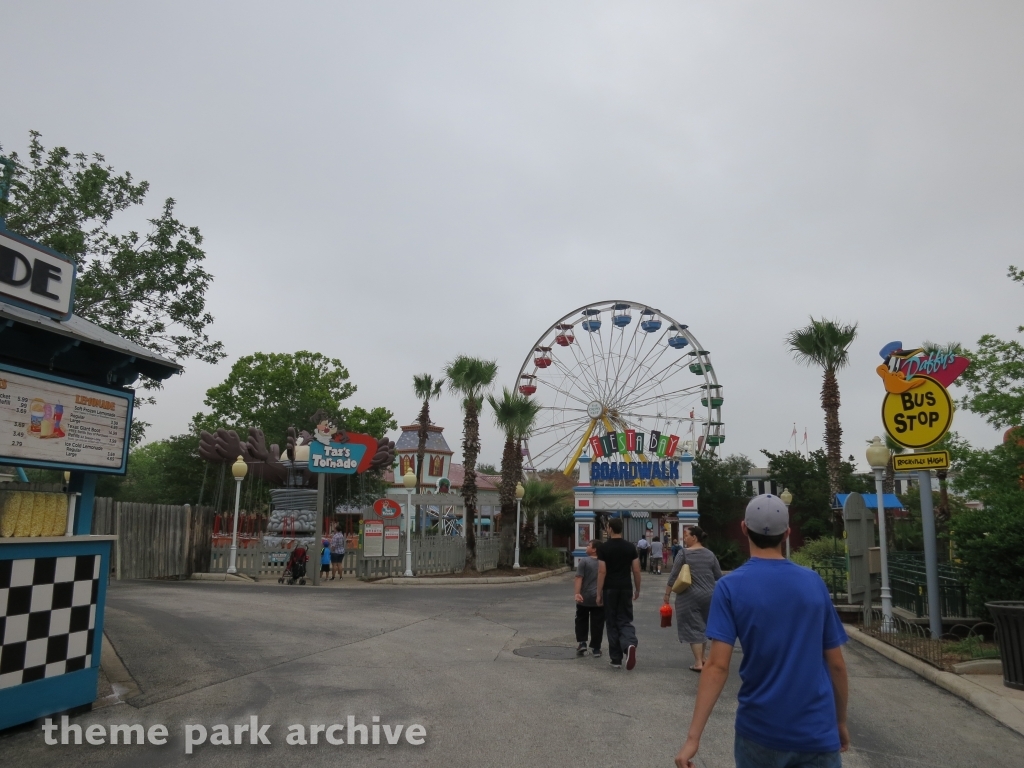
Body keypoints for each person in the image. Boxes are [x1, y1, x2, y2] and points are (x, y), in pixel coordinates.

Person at [674, 494, 849, 768]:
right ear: (787, 533)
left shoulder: (730, 587)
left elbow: (717, 666)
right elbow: (836, 663)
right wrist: (840, 721)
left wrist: (692, 739)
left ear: (744, 528)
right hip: (816, 732)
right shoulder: (813, 582)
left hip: (759, 732)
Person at [663, 526, 722, 671]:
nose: (684, 538)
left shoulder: (684, 553)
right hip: (709, 595)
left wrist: (667, 594)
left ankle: (698, 663)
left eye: (686, 535)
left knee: (692, 627)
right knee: (703, 626)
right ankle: (703, 658)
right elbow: (718, 576)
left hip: (689, 596)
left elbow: (673, 575)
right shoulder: (710, 554)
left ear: (694, 537)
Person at [597, 518, 641, 670]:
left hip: (609, 588)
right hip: (626, 587)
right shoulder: (630, 547)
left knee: (611, 622)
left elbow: (602, 571)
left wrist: (598, 593)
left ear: (609, 528)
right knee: (625, 619)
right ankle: (629, 644)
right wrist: (637, 589)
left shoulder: (604, 548)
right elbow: (636, 570)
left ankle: (616, 659)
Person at [573, 540, 604, 657]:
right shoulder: (604, 562)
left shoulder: (584, 561)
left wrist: (577, 593)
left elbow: (579, 577)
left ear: (594, 549)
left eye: (589, 545)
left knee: (581, 619)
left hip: (584, 597)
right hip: (599, 598)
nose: (586, 547)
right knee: (598, 623)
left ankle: (582, 643)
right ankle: (596, 648)